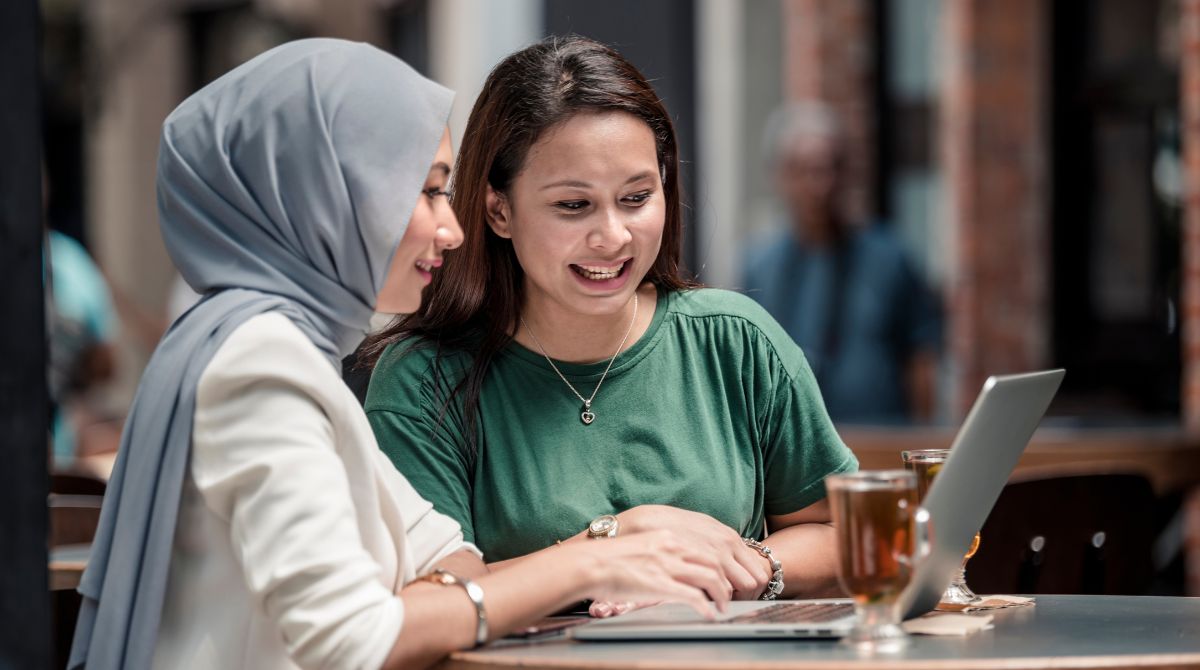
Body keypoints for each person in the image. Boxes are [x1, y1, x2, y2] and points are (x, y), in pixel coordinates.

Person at [70, 39, 729, 670]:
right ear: (326, 194)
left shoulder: (287, 349)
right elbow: (355, 643)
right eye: (427, 191)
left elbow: (444, 554)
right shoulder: (259, 363)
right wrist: (599, 559)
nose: (453, 227)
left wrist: (605, 548)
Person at [361, 36, 858, 615]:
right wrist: (613, 547)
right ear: (499, 210)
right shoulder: (423, 383)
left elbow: (843, 534)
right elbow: (425, 601)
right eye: (573, 206)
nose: (614, 237)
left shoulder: (737, 340)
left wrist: (744, 570)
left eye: (637, 197)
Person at [743, 102, 942, 425]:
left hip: (882, 447)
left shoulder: (890, 258)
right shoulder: (760, 266)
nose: (820, 185)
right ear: (780, 176)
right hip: (792, 454)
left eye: (831, 168)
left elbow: (921, 359)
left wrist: (921, 439)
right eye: (804, 171)